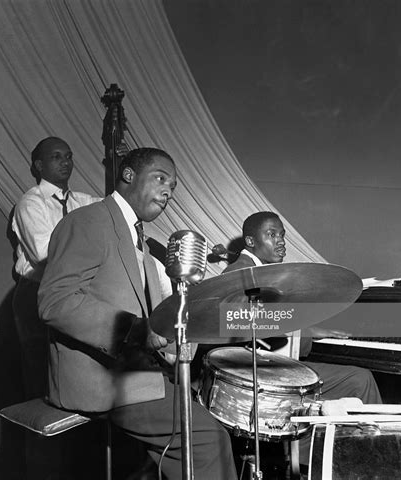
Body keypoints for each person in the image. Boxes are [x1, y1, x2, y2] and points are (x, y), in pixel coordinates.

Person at [38, 147, 237, 479]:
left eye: (172, 187)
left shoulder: (141, 245)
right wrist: (137, 332)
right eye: (160, 179)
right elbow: (55, 301)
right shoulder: (87, 220)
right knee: (208, 439)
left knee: (203, 435)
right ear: (128, 175)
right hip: (101, 382)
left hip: (137, 377)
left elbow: (150, 323)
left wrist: (174, 344)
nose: (167, 192)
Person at [222, 211, 382, 404]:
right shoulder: (240, 274)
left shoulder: (258, 272)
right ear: (250, 241)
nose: (281, 241)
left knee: (357, 379)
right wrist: (307, 332)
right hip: (255, 374)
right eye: (272, 235)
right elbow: (240, 329)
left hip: (267, 363)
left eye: (282, 235)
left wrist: (308, 331)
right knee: (360, 380)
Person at [12, 137, 100, 480]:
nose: (65, 162)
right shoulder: (30, 203)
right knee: (41, 390)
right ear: (38, 166)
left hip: (76, 299)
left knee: (73, 387)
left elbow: (116, 213)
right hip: (36, 297)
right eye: (56, 157)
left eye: (68, 156)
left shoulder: (83, 202)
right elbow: (48, 256)